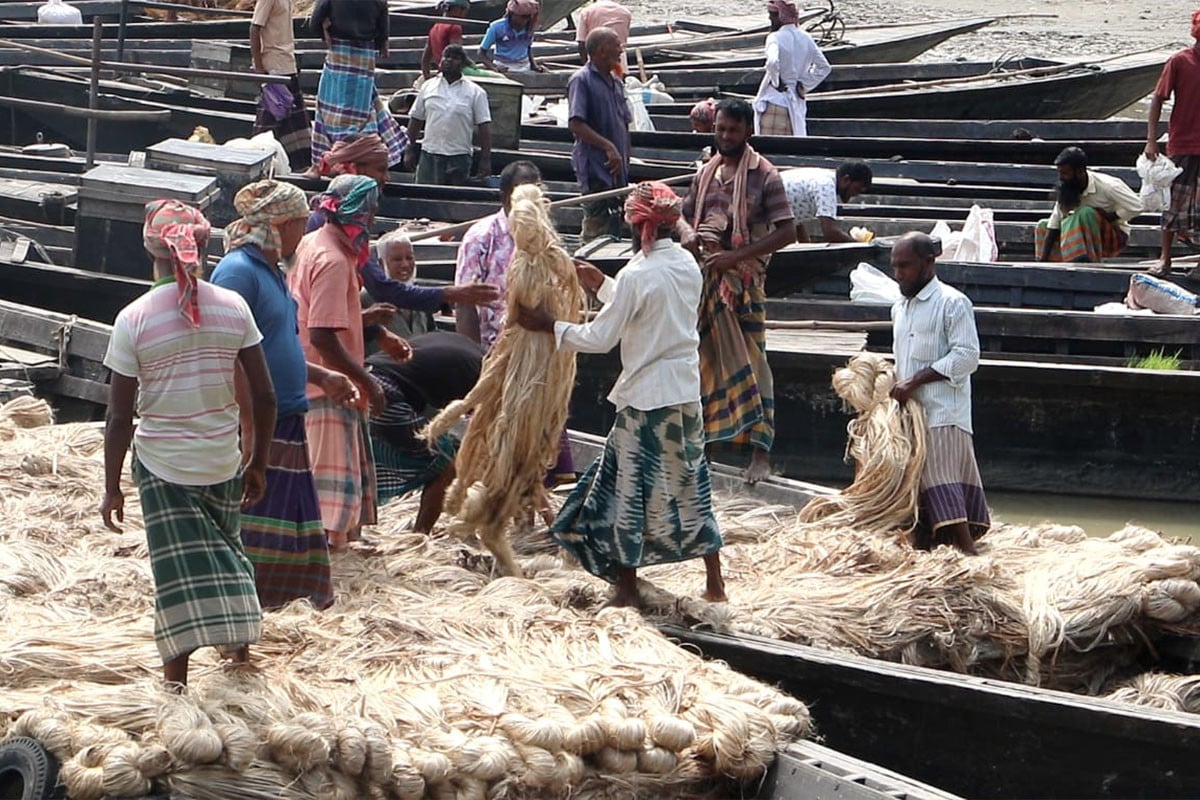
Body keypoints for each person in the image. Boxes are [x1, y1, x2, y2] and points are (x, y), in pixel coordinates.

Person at [515, 181, 726, 609]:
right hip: (685, 393)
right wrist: (602, 285)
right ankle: (714, 582)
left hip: (647, 398)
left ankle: (627, 587)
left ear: (638, 226)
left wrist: (549, 327)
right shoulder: (686, 264)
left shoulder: (636, 274)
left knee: (629, 490)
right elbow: (652, 309)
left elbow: (602, 336)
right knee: (690, 482)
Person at [101, 200, 275, 686]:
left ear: (150, 249)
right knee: (229, 555)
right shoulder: (233, 307)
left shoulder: (133, 319)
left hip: (163, 467)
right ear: (200, 245)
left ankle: (176, 681)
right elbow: (264, 395)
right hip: (222, 459)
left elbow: (119, 418)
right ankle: (238, 661)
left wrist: (112, 486)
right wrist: (257, 460)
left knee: (177, 577)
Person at [211, 181, 360, 611]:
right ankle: (251, 599)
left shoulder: (271, 269)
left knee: (291, 517)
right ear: (279, 225)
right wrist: (248, 424)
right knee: (259, 517)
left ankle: (295, 596)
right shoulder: (239, 271)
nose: (304, 230)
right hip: (260, 418)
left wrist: (317, 374)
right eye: (298, 223)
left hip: (288, 411)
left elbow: (276, 344)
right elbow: (230, 352)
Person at [677, 98, 796, 484]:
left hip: (742, 284)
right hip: (705, 280)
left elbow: (786, 231)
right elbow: (682, 213)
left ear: (749, 132)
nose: (725, 137)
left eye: (733, 131)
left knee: (753, 364)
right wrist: (688, 233)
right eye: (721, 129)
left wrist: (734, 257)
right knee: (706, 366)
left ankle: (760, 454)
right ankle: (706, 450)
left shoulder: (766, 176)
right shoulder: (706, 172)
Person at [290, 174, 400, 551]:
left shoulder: (310, 243)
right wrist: (365, 381)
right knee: (329, 469)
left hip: (308, 370)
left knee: (326, 463)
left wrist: (365, 322)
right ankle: (328, 542)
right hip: (326, 380)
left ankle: (334, 537)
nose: (371, 220)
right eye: (368, 212)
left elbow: (312, 312)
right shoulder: (334, 260)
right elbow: (322, 333)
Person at [455, 159, 575, 484]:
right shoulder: (481, 237)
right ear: (507, 197)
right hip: (497, 354)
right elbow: (465, 304)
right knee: (498, 435)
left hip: (538, 352)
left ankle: (532, 509)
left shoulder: (545, 239)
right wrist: (474, 361)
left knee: (540, 437)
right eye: (527, 191)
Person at [316, 134, 500, 338]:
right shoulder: (338, 230)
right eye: (380, 170)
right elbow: (381, 289)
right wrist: (451, 293)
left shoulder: (337, 224)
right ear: (354, 171)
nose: (387, 178)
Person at [888, 231, 988, 555]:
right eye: (895, 266)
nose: (898, 273)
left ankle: (967, 551)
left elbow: (967, 356)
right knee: (914, 479)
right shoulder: (899, 307)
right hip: (912, 413)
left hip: (944, 410)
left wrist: (915, 381)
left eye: (906, 266)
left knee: (937, 475)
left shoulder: (953, 302)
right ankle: (925, 544)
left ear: (929, 263)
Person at [368, 332, 483, 532]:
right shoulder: (484, 376)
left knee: (362, 463)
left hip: (363, 377)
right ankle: (421, 534)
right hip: (382, 392)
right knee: (446, 461)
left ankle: (348, 531)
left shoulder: (470, 348)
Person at [309, 0, 407, 171]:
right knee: (361, 109)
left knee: (330, 107)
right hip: (364, 56)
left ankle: (330, 158)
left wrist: (324, 30)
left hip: (339, 50)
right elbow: (383, 34)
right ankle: (360, 154)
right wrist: (381, 42)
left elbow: (314, 21)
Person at [1145, 12, 1200, 277]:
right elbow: (1158, 99)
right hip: (1183, 143)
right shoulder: (1179, 61)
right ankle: (1165, 259)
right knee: (1173, 203)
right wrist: (1151, 141)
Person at [568, 27, 632, 241]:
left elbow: (624, 123)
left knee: (618, 223)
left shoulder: (615, 82)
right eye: (617, 45)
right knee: (596, 224)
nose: (621, 50)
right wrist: (609, 147)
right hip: (597, 166)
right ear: (602, 50)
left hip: (618, 170)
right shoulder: (582, 80)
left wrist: (623, 158)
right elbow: (576, 124)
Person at [404, 45, 493, 185]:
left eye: (455, 58)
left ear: (463, 64)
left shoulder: (476, 92)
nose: (449, 61)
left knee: (454, 201)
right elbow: (415, 119)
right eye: (446, 57)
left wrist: (485, 160)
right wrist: (409, 149)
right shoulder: (428, 87)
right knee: (425, 198)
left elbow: (484, 128)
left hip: (459, 157)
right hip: (430, 154)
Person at [1035, 147, 1141, 263]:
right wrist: (1042, 260)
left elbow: (1138, 206)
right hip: (1080, 235)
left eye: (1065, 173)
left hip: (1112, 237)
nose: (1061, 177)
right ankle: (1051, 268)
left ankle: (1080, 262)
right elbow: (1054, 223)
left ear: (1080, 172)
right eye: (1060, 173)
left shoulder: (1109, 185)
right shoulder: (1066, 188)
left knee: (1085, 213)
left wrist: (1112, 216)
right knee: (1043, 225)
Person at [753, 0, 830, 137]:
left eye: (771, 15)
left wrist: (777, 82)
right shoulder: (806, 38)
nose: (769, 18)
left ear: (779, 17)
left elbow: (772, 61)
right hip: (795, 105)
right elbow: (824, 67)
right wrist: (803, 84)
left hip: (775, 104)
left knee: (770, 152)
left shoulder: (774, 37)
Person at [250, 0, 311, 172]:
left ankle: (298, 164)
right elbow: (255, 28)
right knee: (270, 120)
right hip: (274, 67)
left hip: (287, 63)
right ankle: (254, 162)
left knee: (294, 122)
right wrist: (259, 67)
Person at [363, 233, 434, 342]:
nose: (405, 264)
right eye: (397, 259)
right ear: (381, 263)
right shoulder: (366, 299)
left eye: (409, 258)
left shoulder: (420, 297)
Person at [781, 161, 872, 243]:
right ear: (846, 179)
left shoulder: (823, 178)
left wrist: (806, 245)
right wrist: (858, 245)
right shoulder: (827, 187)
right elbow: (830, 233)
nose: (855, 194)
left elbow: (796, 219)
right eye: (856, 189)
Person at [478, 0, 542, 73]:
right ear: (512, 14)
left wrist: (534, 65)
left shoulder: (530, 27)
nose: (526, 20)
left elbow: (527, 48)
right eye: (523, 17)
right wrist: (494, 67)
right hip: (503, 66)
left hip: (524, 67)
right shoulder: (496, 27)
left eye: (528, 17)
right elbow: (481, 53)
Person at [574, 0, 631, 69]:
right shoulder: (625, 12)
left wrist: (586, 67)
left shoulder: (587, 12)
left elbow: (581, 44)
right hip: (620, 62)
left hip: (598, 62)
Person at [421, 0, 470, 80]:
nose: (464, 14)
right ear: (457, 9)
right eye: (464, 10)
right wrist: (472, 65)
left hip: (441, 73)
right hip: (452, 74)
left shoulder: (435, 27)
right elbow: (456, 52)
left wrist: (427, 78)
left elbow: (425, 60)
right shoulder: (455, 26)